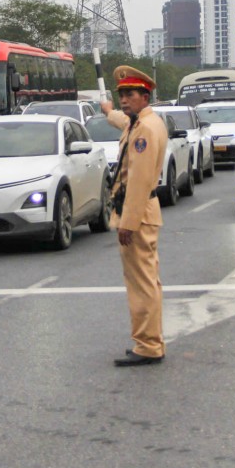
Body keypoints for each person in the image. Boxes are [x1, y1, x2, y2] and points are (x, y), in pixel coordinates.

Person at [101, 65, 168, 367]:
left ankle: (148, 346)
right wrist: (109, 112)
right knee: (145, 281)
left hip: (138, 214)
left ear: (145, 96)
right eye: (121, 95)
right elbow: (123, 123)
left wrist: (127, 223)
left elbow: (139, 181)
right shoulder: (140, 122)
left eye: (130, 94)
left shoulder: (144, 131)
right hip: (143, 212)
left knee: (141, 284)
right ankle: (149, 342)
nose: (125, 100)